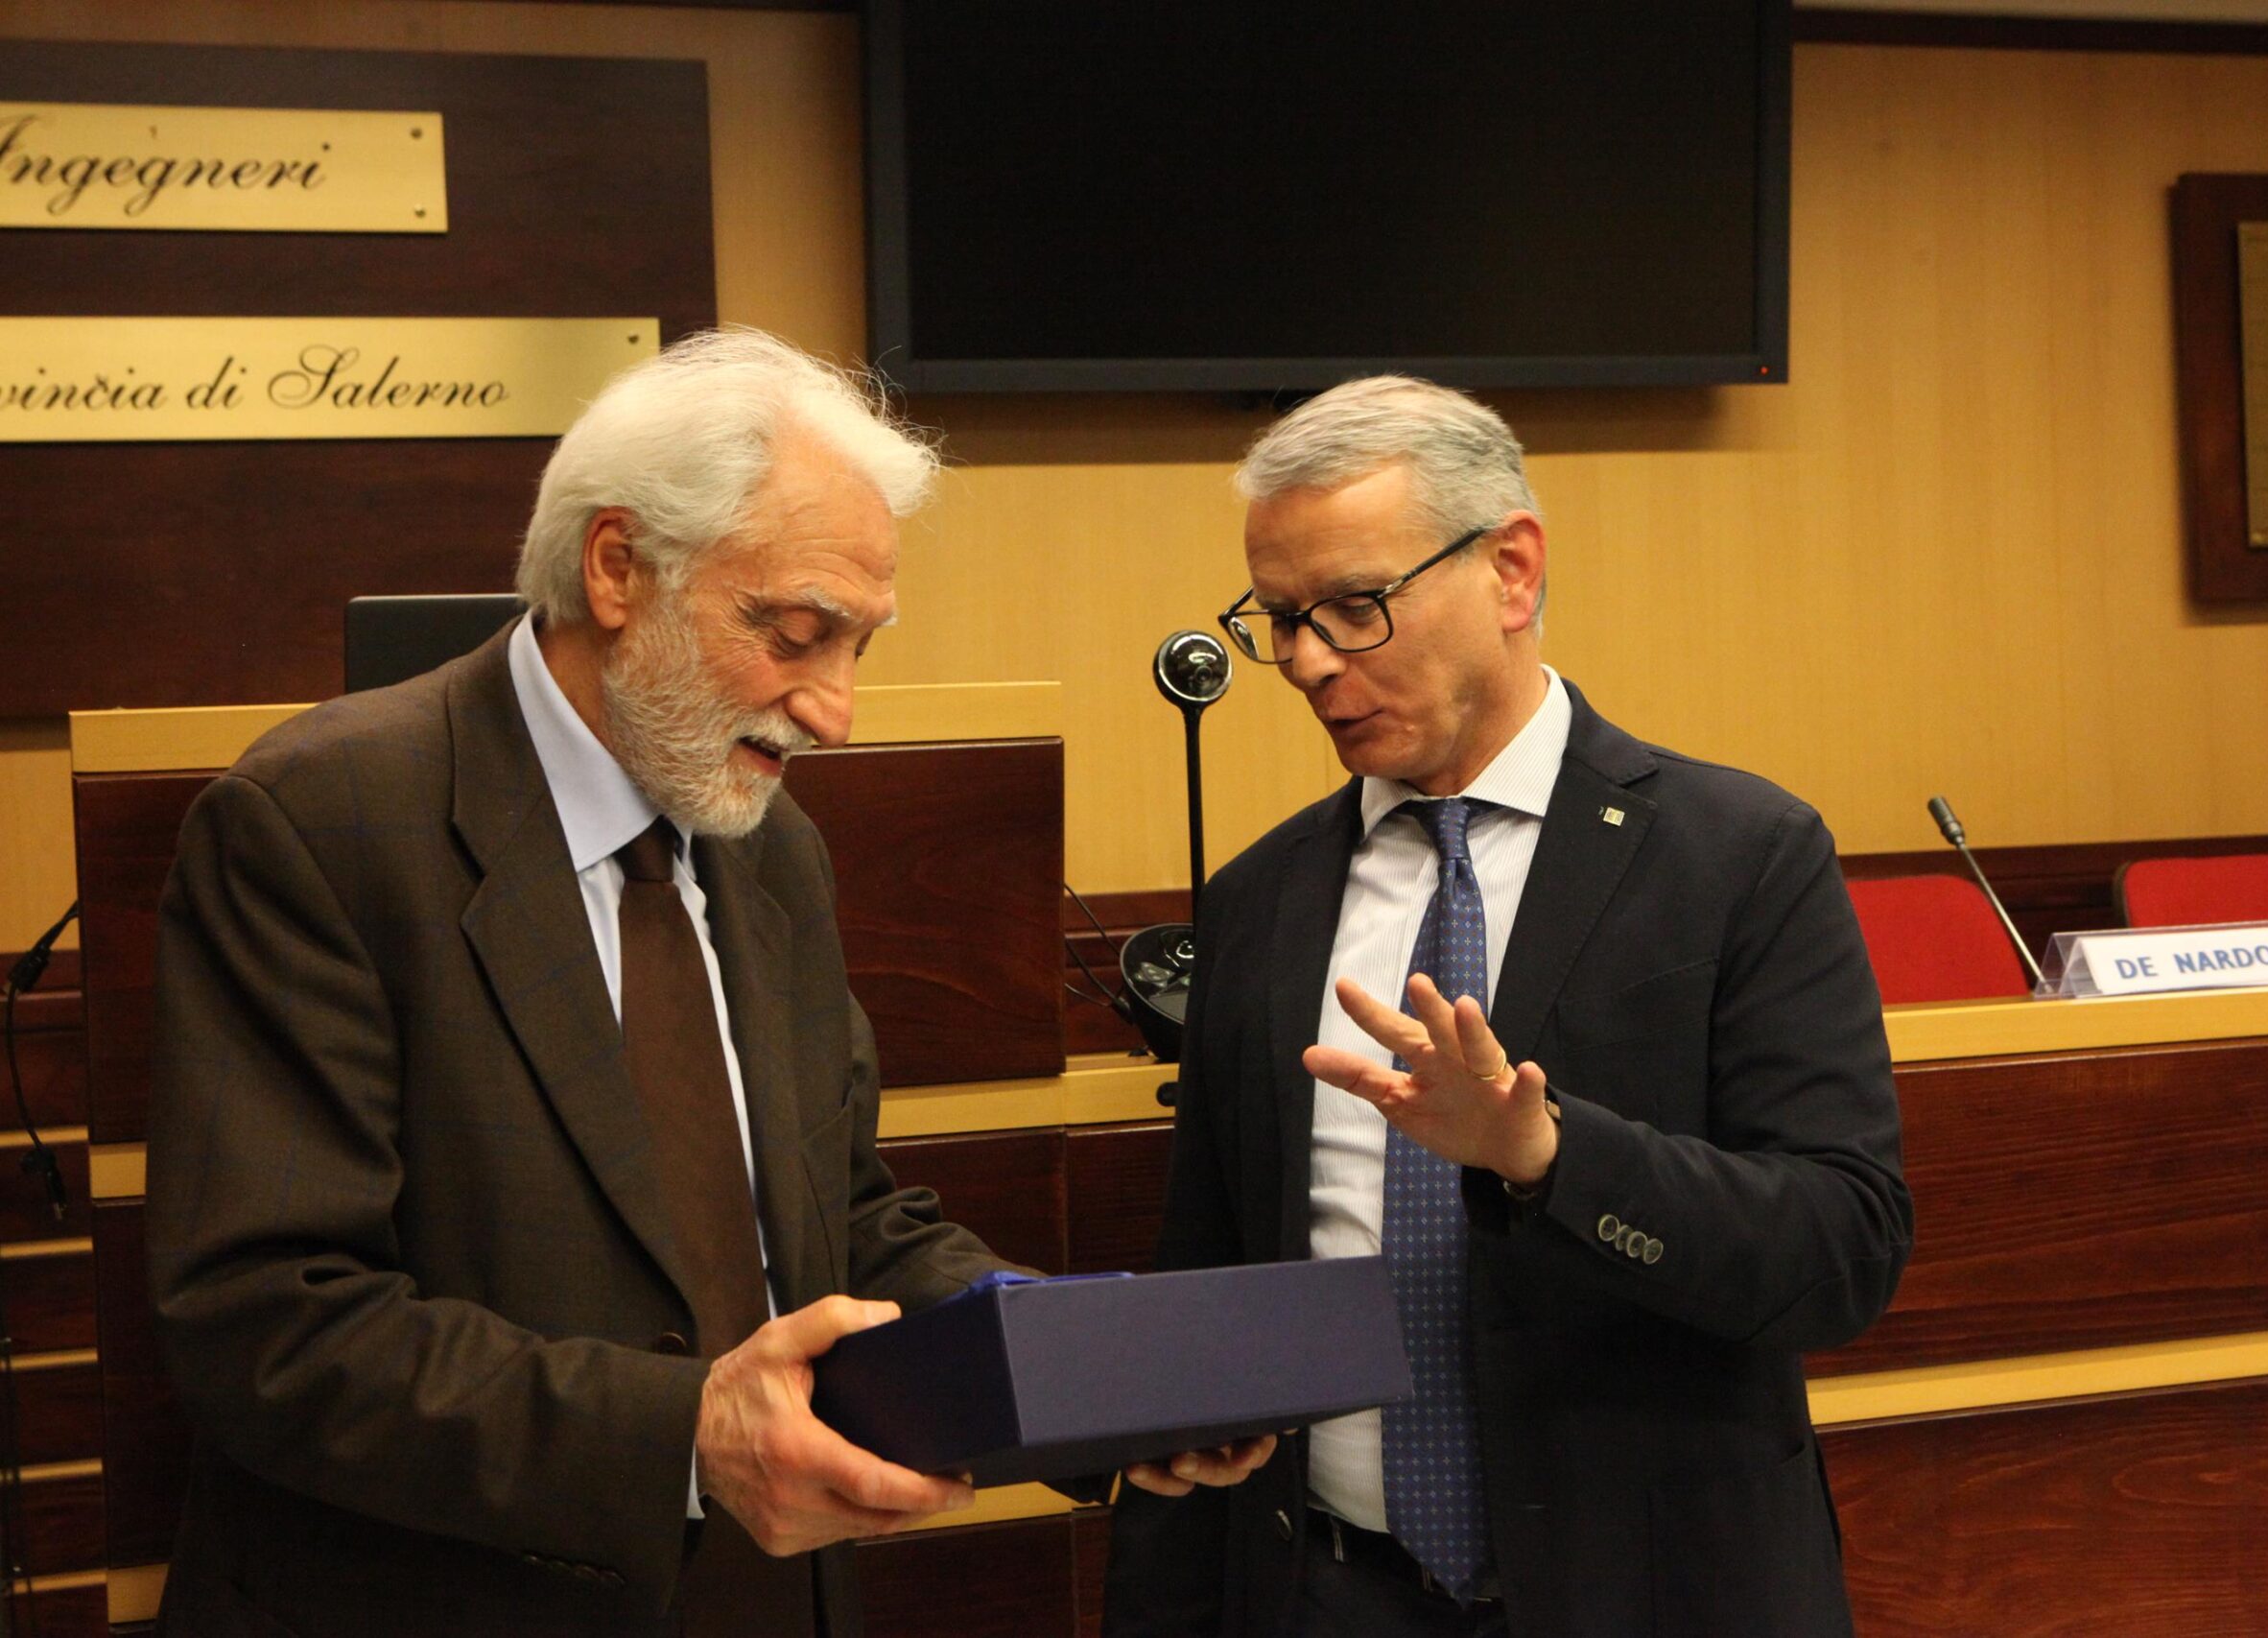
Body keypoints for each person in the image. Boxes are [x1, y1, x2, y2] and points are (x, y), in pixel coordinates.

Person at [146, 328, 1266, 1638]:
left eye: (859, 646)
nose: (836, 711)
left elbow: (838, 1224)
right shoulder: (321, 825)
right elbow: (267, 1324)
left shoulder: (770, 847)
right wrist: (686, 1438)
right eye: (795, 634)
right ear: (618, 568)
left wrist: (1085, 1378)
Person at [1102, 376, 1914, 1637]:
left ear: (1512, 571)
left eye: (1356, 608)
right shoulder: (1260, 902)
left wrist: (1546, 1156)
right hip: (1330, 1596)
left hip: (1655, 1599)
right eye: (1283, 620)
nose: (1309, 662)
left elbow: (1840, 1251)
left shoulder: (1739, 857)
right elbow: (1207, 1268)